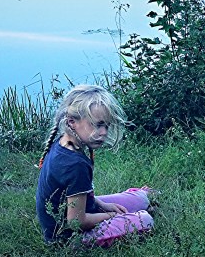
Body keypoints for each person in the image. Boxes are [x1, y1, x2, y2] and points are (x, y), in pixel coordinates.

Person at [35, 84, 156, 247]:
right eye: (97, 125)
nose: (104, 132)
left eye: (106, 126)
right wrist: (110, 215)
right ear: (72, 122)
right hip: (68, 237)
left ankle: (143, 201)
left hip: (76, 212)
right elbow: (76, 222)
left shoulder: (63, 143)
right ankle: (139, 214)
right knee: (145, 221)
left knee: (141, 198)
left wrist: (103, 206)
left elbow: (74, 198)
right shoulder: (75, 165)